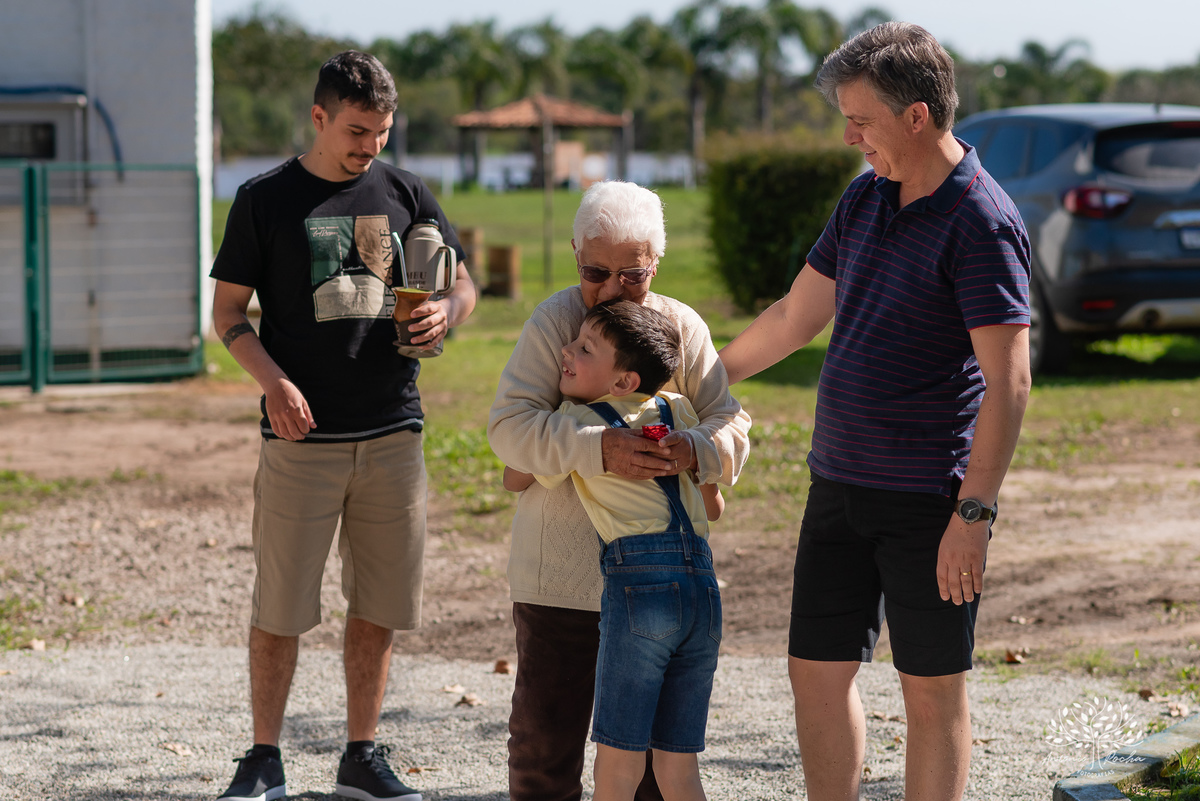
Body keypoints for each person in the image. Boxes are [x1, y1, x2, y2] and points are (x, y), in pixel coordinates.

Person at [717, 22, 1032, 801]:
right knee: (815, 674)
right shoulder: (864, 198)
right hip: (839, 487)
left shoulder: (983, 221)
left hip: (930, 501)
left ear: (917, 116)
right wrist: (700, 379)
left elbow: (1010, 382)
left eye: (861, 119)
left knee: (931, 692)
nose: (850, 135)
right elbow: (794, 318)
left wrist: (975, 514)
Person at [210, 51, 476, 801]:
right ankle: (263, 757)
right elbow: (227, 314)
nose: (371, 147)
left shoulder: (406, 191)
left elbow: (463, 283)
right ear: (319, 117)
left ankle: (362, 754)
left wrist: (444, 314)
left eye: (383, 132)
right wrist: (274, 384)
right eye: (358, 131)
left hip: (394, 432)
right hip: (300, 442)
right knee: (281, 605)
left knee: (380, 605)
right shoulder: (263, 199)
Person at [487, 180, 751, 801]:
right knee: (544, 753)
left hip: (661, 583)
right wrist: (597, 448)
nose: (608, 289)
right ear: (576, 252)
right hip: (560, 581)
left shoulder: (680, 326)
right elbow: (508, 428)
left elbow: (730, 419)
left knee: (656, 769)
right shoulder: (555, 321)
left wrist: (695, 451)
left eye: (629, 275)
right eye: (594, 271)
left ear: (655, 264)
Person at [503, 299, 725, 801]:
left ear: (623, 382)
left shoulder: (579, 421)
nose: (567, 350)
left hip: (640, 586)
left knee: (617, 764)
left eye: (584, 348)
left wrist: (573, 442)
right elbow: (713, 508)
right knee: (676, 763)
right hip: (702, 589)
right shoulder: (680, 412)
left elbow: (514, 474)